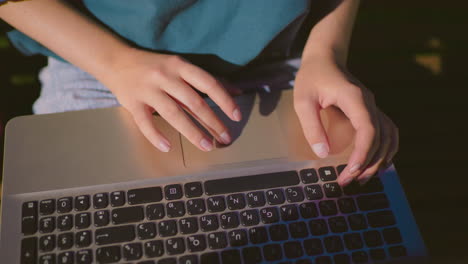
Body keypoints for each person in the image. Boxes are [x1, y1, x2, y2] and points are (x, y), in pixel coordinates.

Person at [0, 0, 398, 186]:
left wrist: (326, 53)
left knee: (339, 208)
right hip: (94, 58)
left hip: (283, 55)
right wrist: (116, 64)